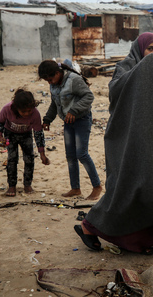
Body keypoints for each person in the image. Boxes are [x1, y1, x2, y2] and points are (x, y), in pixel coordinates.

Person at [74, 32, 153, 256]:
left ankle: (142, 240)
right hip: (129, 141)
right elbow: (117, 95)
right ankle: (89, 226)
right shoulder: (125, 68)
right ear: (139, 49)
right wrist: (143, 72)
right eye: (149, 49)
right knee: (125, 191)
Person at [38, 60, 103, 201]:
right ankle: (75, 188)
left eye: (50, 79)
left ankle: (97, 187)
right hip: (68, 122)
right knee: (70, 156)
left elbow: (89, 97)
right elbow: (54, 104)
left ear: (57, 73)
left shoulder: (74, 80)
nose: (49, 83)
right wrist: (47, 119)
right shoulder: (53, 86)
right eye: (47, 81)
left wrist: (74, 110)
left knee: (82, 154)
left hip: (82, 120)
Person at [0, 88, 50, 197]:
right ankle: (12, 185)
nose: (27, 114)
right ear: (16, 108)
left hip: (26, 135)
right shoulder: (7, 109)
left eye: (29, 111)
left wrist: (42, 154)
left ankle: (27, 184)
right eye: (23, 111)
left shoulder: (35, 114)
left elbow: (38, 134)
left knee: (29, 159)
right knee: (12, 159)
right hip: (10, 134)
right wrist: (0, 136)